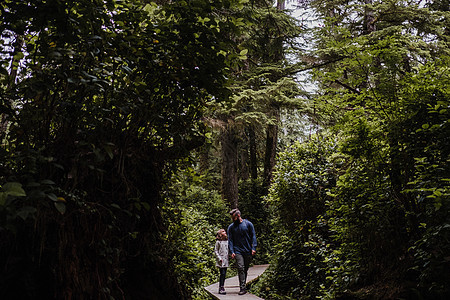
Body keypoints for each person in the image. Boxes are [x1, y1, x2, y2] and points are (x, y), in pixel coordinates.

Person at [227, 208, 257, 295]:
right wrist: (232, 251)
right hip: (237, 251)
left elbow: (253, 236)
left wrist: (253, 248)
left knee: (245, 268)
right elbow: (230, 240)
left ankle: (243, 284)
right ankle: (242, 288)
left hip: (247, 250)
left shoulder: (248, 224)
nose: (232, 220)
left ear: (238, 215)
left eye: (234, 218)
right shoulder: (231, 227)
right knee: (240, 267)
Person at [214, 229, 229, 295]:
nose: (225, 232)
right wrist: (219, 258)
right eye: (223, 232)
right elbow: (216, 251)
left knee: (224, 274)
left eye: (225, 231)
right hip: (221, 260)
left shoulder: (227, 241)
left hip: (226, 260)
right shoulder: (218, 242)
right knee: (222, 274)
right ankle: (221, 287)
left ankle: (222, 286)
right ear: (220, 234)